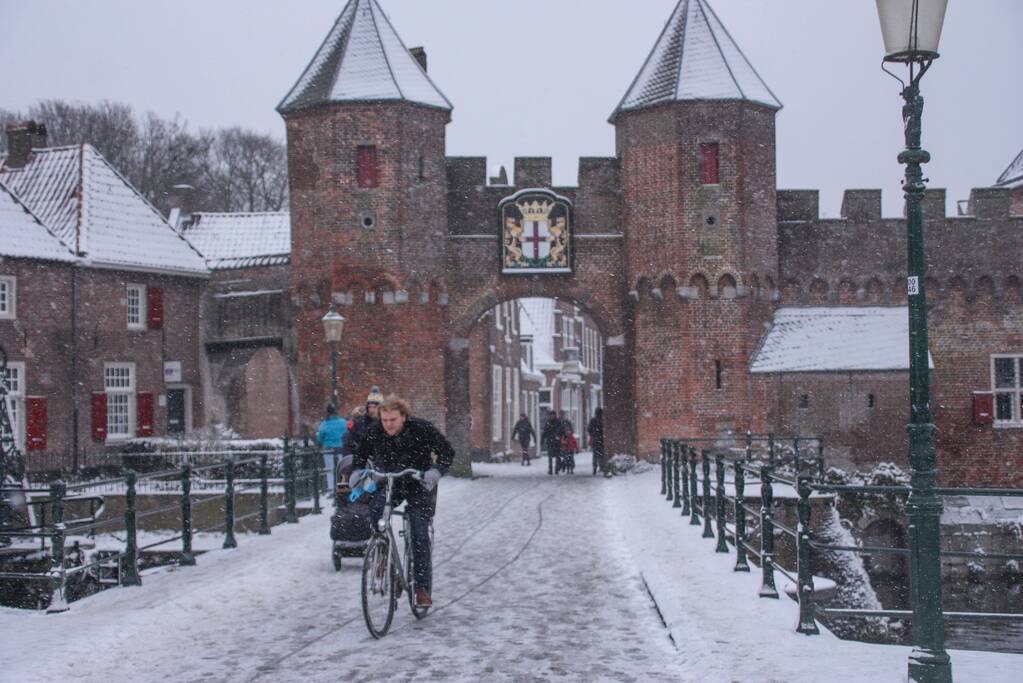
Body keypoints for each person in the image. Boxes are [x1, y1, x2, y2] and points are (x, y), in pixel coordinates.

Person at [351, 395, 455, 608]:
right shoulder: (375, 431)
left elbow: (446, 452)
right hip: (392, 482)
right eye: (384, 420)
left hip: (420, 482)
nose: (388, 424)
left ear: (404, 417)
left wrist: (436, 470)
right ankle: (382, 552)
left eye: (393, 420)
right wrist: (358, 471)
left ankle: (421, 588)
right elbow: (360, 454)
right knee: (376, 509)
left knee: (418, 531)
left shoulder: (421, 429)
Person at [343, 386, 384, 457]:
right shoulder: (359, 423)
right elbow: (348, 440)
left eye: (374, 407)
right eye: (370, 407)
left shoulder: (386, 422)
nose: (372, 410)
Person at [315, 403, 347, 490]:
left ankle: (331, 489)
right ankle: (342, 486)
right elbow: (347, 434)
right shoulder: (343, 422)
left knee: (330, 470)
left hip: (328, 450)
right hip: (341, 449)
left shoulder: (324, 424)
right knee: (341, 468)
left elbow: (320, 437)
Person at [587, 407, 605, 476]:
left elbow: (589, 429)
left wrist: (593, 435)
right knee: (601, 454)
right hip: (601, 440)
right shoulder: (602, 420)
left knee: (595, 455)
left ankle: (594, 467)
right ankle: (601, 466)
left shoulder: (593, 420)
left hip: (595, 440)